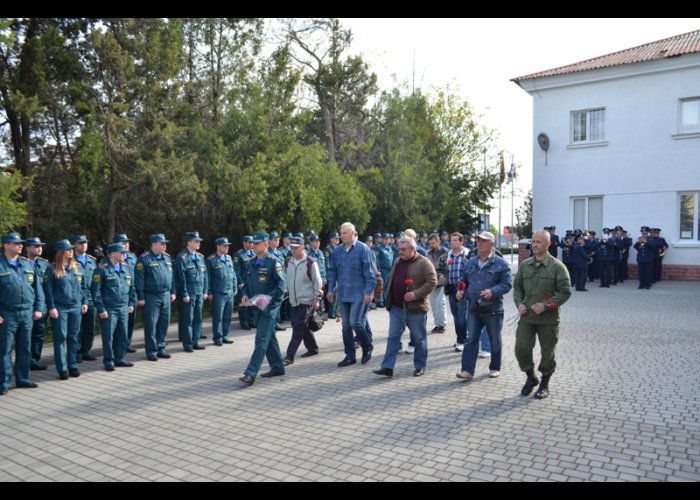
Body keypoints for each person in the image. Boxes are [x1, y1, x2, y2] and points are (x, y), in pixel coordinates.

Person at [513, 229, 572, 399]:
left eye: (538, 242)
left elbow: (565, 292)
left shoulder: (557, 267)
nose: (534, 245)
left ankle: (545, 384)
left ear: (548, 244)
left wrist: (546, 306)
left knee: (547, 352)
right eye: (533, 241)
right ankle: (531, 378)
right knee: (521, 349)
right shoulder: (525, 265)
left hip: (548, 319)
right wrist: (520, 304)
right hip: (527, 317)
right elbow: (517, 288)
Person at [373, 237, 436, 378]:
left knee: (419, 338)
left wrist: (415, 294)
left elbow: (432, 282)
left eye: (404, 249)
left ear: (413, 249)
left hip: (415, 308)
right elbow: (392, 280)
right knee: (393, 338)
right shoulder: (397, 261)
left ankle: (420, 366)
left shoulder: (424, 262)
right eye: (399, 249)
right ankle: (387, 367)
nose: (400, 252)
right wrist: (385, 298)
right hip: (396, 307)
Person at [455, 231, 512, 381]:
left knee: (494, 339)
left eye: (483, 241)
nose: (479, 243)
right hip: (473, 307)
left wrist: (493, 291)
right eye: (478, 241)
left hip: (492, 308)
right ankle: (467, 370)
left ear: (492, 244)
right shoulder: (471, 262)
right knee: (471, 338)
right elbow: (463, 281)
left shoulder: (501, 263)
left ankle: (494, 367)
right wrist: (461, 291)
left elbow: (507, 284)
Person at [238, 231, 287, 386]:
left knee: (261, 339)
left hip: (269, 308)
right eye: (253, 243)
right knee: (269, 337)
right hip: (256, 306)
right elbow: (245, 282)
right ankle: (278, 367)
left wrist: (269, 300)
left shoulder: (274, 262)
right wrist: (244, 295)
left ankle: (250, 373)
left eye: (257, 243)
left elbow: (281, 287)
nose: (254, 246)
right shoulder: (252, 261)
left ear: (266, 244)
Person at [0, 233, 45, 395]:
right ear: (6, 245)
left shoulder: (27, 265)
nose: (20, 245)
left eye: (21, 243)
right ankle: (4, 382)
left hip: (27, 312)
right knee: (4, 349)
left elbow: (38, 290)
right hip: (7, 313)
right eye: (16, 243)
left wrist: (39, 308)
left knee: (24, 347)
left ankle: (23, 378)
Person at [327, 222, 376, 367]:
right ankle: (350, 356)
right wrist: (330, 289)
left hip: (359, 293)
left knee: (356, 322)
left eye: (345, 233)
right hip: (343, 293)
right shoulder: (337, 250)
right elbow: (332, 271)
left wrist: (369, 292)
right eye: (341, 233)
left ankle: (367, 346)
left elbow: (369, 273)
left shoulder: (363, 248)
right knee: (346, 326)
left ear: (353, 233)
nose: (342, 236)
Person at [44, 239, 89, 379]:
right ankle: (62, 368)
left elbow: (83, 287)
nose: (71, 251)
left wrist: (84, 301)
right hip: (60, 307)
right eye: (68, 249)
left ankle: (72, 364)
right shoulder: (51, 269)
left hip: (75, 306)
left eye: (71, 249)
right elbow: (48, 290)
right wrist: (51, 307)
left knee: (73, 337)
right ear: (61, 252)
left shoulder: (77, 267)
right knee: (60, 337)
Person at [91, 243, 136, 371]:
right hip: (109, 308)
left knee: (122, 334)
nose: (124, 254)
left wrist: (131, 303)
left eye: (124, 252)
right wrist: (101, 308)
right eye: (121, 252)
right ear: (112, 254)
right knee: (108, 336)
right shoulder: (101, 269)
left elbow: (132, 288)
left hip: (123, 307)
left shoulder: (126, 268)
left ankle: (120, 358)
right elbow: (96, 291)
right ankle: (108, 360)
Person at [135, 234, 176, 361]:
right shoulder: (144, 259)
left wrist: (173, 291)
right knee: (151, 324)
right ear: (153, 244)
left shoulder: (167, 258)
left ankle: (161, 348)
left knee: (164, 323)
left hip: (165, 295)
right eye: (161, 243)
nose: (164, 246)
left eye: (165, 243)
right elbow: (139, 280)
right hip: (151, 296)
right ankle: (151, 351)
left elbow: (172, 277)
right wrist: (140, 297)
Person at [283, 236, 323, 365]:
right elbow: (287, 280)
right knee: (303, 326)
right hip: (294, 300)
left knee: (297, 327)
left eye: (295, 248)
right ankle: (313, 348)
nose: (293, 250)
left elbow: (318, 282)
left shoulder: (311, 262)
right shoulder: (289, 262)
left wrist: (317, 299)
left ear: (303, 248)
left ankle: (289, 356)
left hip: (307, 301)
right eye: (291, 248)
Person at [175, 231, 208, 352]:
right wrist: (184, 293)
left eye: (199, 241)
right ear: (189, 242)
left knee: (198, 318)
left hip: (199, 292)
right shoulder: (182, 257)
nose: (198, 243)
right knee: (188, 319)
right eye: (196, 241)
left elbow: (205, 275)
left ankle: (195, 341)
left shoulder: (200, 257)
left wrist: (205, 291)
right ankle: (188, 344)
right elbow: (180, 277)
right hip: (189, 293)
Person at [24, 237, 50, 370]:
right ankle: (24, 361)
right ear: (27, 248)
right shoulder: (21, 263)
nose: (39, 248)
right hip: (26, 305)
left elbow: (49, 286)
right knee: (25, 335)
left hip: (42, 305)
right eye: (36, 246)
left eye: (40, 246)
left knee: (39, 334)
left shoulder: (45, 264)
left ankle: (35, 359)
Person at [206, 237, 237, 346]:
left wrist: (235, 288)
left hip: (229, 292)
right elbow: (208, 277)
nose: (227, 247)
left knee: (228, 316)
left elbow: (233, 274)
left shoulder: (228, 258)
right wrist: (209, 292)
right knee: (218, 316)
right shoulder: (211, 259)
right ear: (218, 246)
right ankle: (217, 337)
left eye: (228, 245)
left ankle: (225, 335)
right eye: (225, 245)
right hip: (218, 293)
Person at [72, 235, 98, 362]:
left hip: (91, 298)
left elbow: (96, 281)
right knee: (77, 327)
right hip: (77, 298)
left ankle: (86, 350)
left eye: (85, 243)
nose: (83, 245)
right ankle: (76, 352)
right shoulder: (70, 260)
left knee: (89, 327)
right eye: (80, 243)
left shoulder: (92, 261)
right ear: (75, 245)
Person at [111, 234, 138, 353]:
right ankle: (116, 345)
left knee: (130, 321)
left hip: (131, 293)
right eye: (123, 242)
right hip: (118, 294)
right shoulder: (112, 260)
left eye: (127, 242)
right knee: (118, 324)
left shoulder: (133, 257)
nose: (126, 244)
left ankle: (126, 343)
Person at [446, 232, 470, 352]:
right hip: (451, 288)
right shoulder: (448, 255)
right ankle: (460, 337)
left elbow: (469, 272)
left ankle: (462, 340)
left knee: (461, 314)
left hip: (462, 288)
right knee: (455, 315)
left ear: (461, 242)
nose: (453, 242)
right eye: (451, 240)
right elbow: (441, 268)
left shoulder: (467, 255)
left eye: (456, 240)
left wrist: (463, 288)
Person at [426, 233, 448, 334]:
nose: (431, 244)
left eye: (433, 242)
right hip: (431, 281)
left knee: (440, 303)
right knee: (434, 304)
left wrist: (442, 276)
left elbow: (447, 268)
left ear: (438, 242)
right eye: (430, 243)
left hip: (442, 280)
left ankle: (442, 324)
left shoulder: (446, 252)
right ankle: (437, 324)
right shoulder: (428, 253)